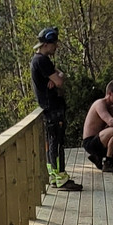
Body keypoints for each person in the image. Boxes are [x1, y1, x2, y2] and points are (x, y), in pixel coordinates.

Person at [30, 26, 81, 190]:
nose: (56, 47)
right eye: (54, 44)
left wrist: (57, 75)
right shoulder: (42, 61)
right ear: (46, 44)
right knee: (57, 144)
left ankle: (54, 177)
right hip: (52, 109)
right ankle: (61, 179)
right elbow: (59, 81)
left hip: (50, 108)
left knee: (52, 144)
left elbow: (57, 76)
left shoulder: (38, 60)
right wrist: (59, 76)